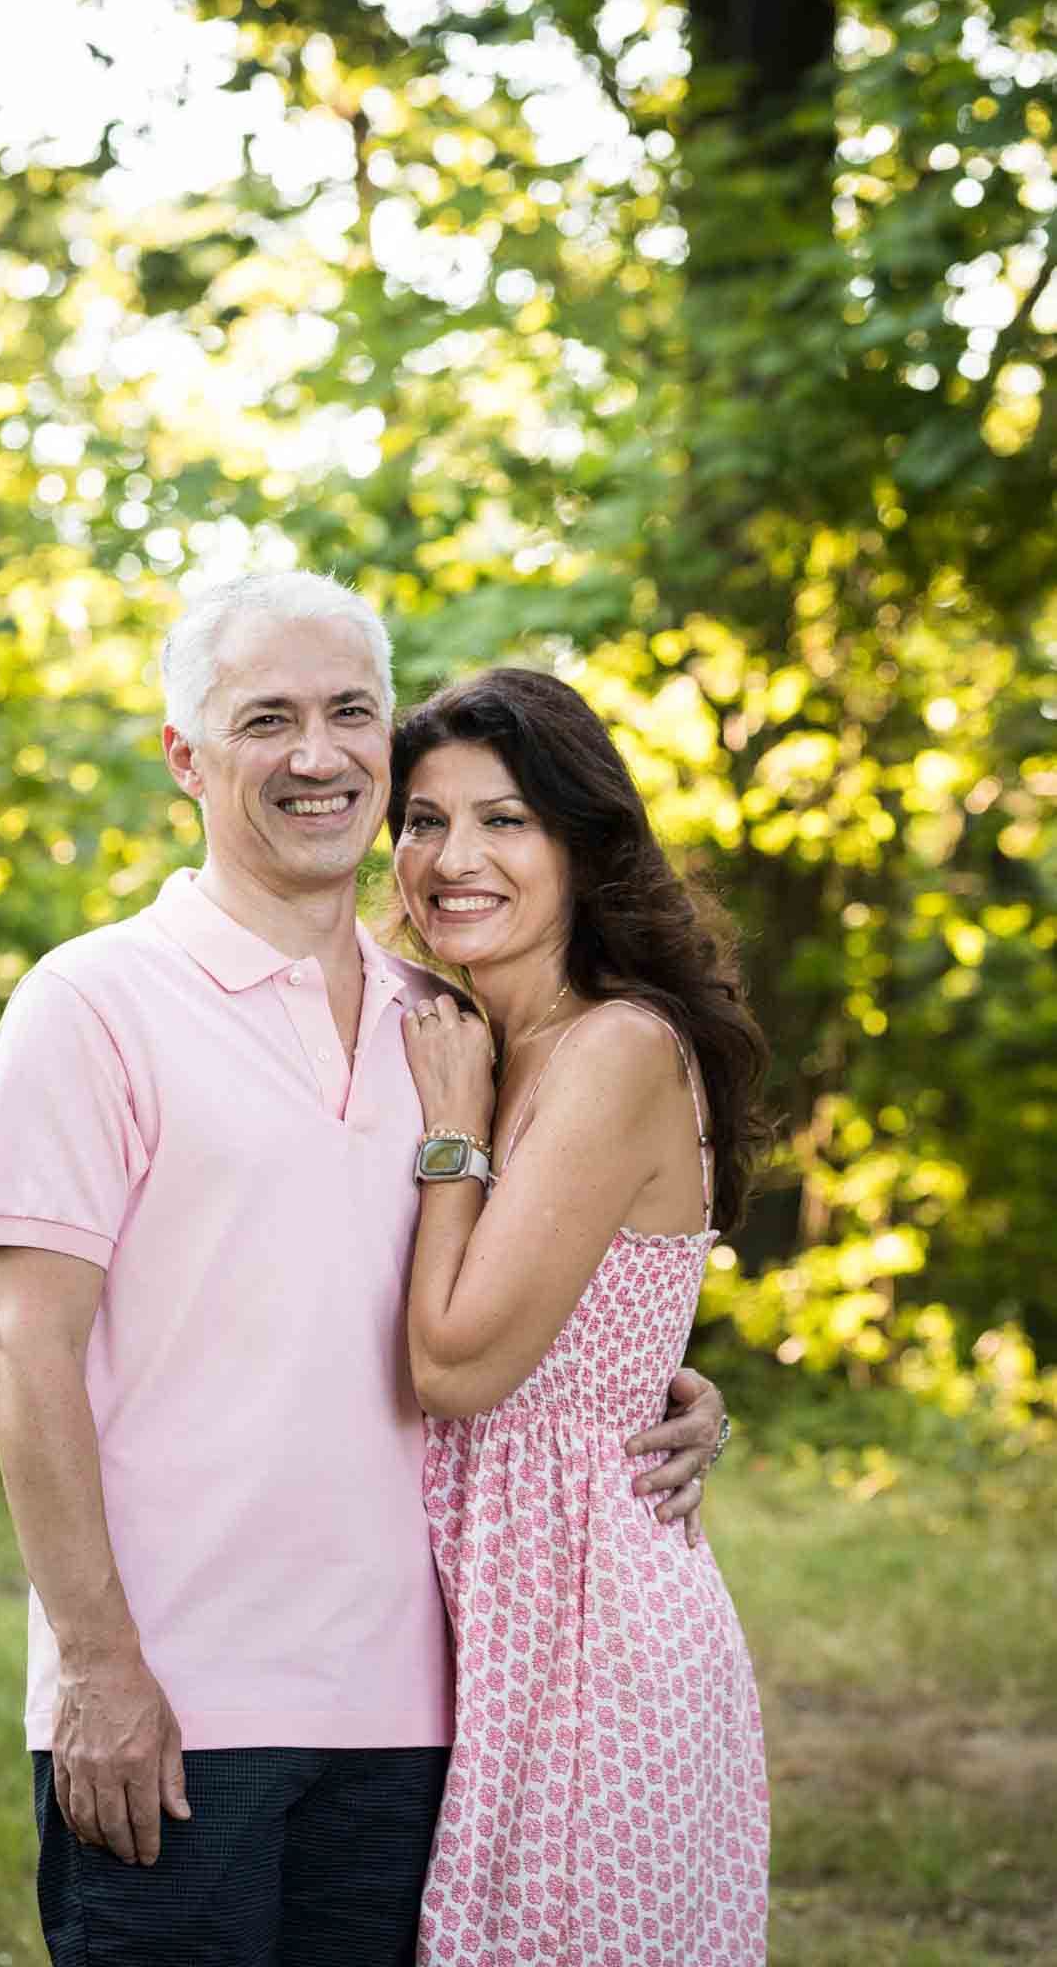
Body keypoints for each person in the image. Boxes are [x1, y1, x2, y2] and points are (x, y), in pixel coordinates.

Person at [0, 573, 727, 1967]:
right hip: (182, 1707)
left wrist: (667, 1389)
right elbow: (23, 1355)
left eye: (348, 714)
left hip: (433, 1709)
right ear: (187, 759)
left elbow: (555, 1281)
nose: (316, 754)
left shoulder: (450, 1019)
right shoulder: (91, 1003)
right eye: (267, 719)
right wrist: (97, 1672)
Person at [387, 665, 771, 1966]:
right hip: (464, 1611)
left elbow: (453, 1369)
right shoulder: (465, 1033)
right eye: (422, 821)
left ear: (579, 841)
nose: (453, 856)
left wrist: (450, 1139)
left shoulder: (611, 1049)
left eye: (503, 819)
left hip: (581, 1642)